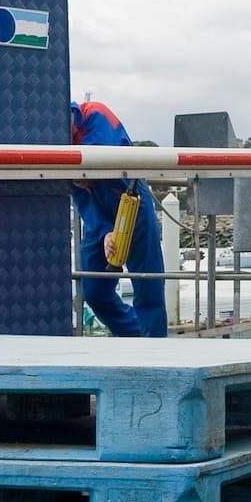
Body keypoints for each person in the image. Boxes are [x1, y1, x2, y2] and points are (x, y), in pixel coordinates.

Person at [69, 100, 168, 337]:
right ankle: (135, 336)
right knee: (93, 290)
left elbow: (98, 154)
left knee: (148, 287)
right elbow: (78, 193)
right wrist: (104, 232)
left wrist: (73, 172)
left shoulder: (95, 113)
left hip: (130, 199)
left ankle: (154, 352)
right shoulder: (56, 140)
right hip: (94, 209)